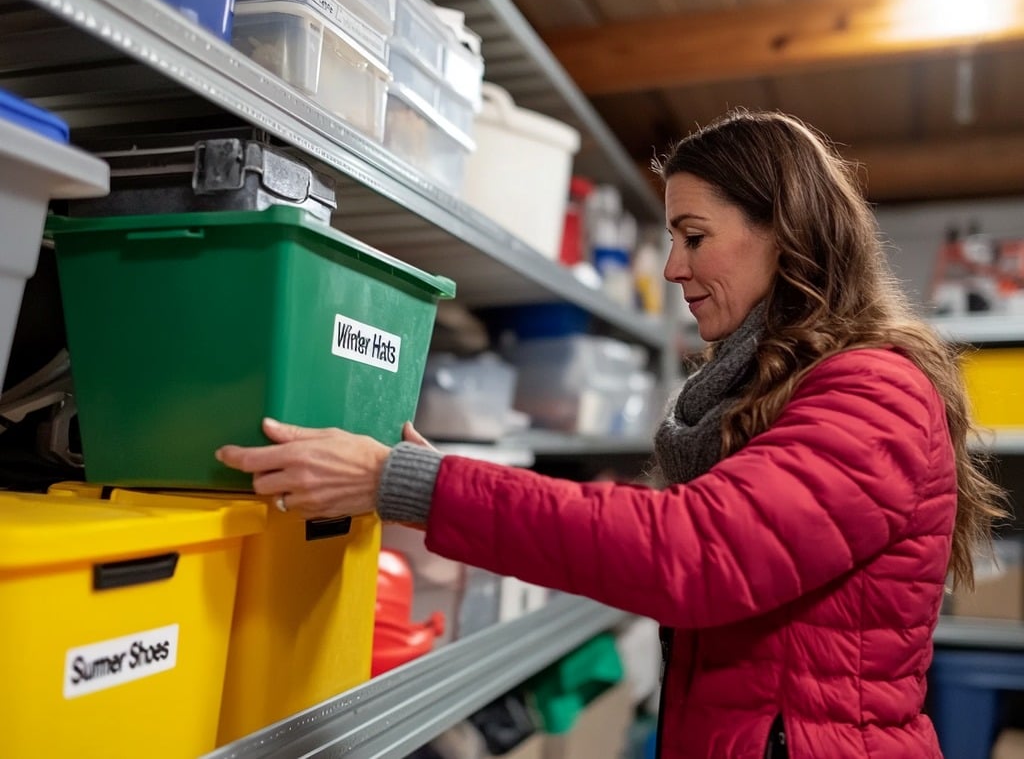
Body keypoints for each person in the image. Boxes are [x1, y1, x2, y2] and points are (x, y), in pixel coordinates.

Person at [216, 109, 1006, 759]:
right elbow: (696, 520)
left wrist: (409, 484)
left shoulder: (875, 394)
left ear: (785, 232)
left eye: (694, 236)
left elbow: (696, 548)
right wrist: (446, 476)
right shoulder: (789, 393)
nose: (671, 267)